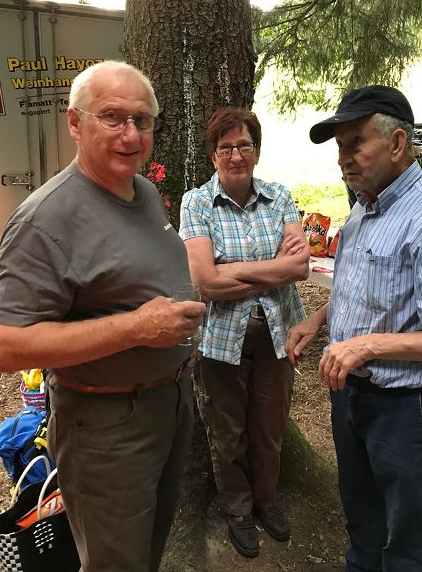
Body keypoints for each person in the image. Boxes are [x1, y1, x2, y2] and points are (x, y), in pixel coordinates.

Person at [0, 61, 205, 572]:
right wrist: (137, 328)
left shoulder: (143, 191)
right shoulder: (45, 220)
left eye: (142, 120)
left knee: (148, 547)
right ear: (75, 123)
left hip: (168, 402)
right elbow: (4, 346)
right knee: (116, 562)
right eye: (112, 117)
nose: (130, 135)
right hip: (105, 425)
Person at [285, 85, 422, 572]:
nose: (342, 159)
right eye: (339, 146)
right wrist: (317, 320)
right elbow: (363, 284)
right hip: (350, 397)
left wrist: (366, 346)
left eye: (355, 143)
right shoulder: (364, 207)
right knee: (363, 523)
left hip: (404, 408)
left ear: (396, 143)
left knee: (403, 537)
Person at [179, 107, 310, 558]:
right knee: (227, 429)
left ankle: (266, 500)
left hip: (278, 335)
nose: (236, 155)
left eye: (244, 145)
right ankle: (237, 508)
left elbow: (300, 267)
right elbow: (204, 283)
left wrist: (231, 271)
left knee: (269, 426)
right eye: (225, 148)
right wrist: (273, 269)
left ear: (256, 150)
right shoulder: (197, 202)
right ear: (213, 154)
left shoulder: (279, 196)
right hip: (219, 340)